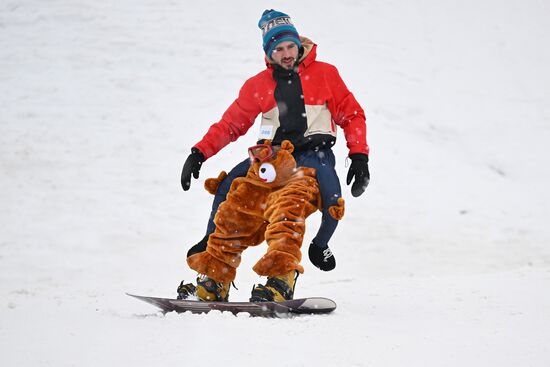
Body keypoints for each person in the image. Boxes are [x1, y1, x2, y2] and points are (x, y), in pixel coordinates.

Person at [178, 9, 370, 301]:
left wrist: (359, 156)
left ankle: (281, 278)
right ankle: (216, 276)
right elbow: (231, 124)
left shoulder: (325, 75)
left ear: (299, 44)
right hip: (270, 158)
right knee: (232, 195)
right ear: (269, 52)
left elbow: (352, 114)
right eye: (278, 49)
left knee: (287, 206)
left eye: (291, 46)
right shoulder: (259, 85)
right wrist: (200, 152)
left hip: (311, 158)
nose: (287, 54)